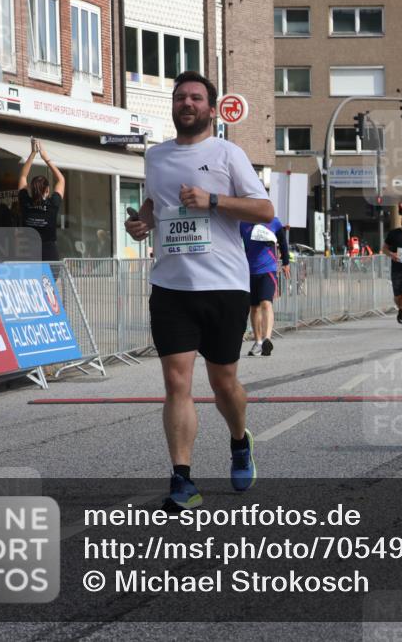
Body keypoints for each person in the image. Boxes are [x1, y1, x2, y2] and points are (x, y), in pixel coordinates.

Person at [123, 71, 274, 509]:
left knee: (224, 382)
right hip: (170, 286)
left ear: (210, 109)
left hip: (223, 285)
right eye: (180, 98)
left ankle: (239, 439)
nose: (186, 104)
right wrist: (141, 224)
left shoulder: (228, 153)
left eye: (195, 98)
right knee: (176, 382)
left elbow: (264, 209)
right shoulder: (155, 157)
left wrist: (213, 201)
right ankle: (182, 478)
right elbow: (155, 207)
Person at [240, 216, 290, 357]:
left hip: (268, 270)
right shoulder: (243, 223)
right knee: (254, 308)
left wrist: (286, 262)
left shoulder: (273, 221)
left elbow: (283, 241)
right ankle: (258, 342)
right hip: (249, 271)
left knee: (266, 303)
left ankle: (267, 338)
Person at [18, 139, 65, 261]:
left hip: (28, 253)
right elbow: (61, 180)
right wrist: (46, 158)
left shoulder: (26, 203)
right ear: (47, 190)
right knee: (48, 280)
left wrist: (33, 154)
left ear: (31, 190)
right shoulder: (52, 204)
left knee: (31, 280)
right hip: (49, 253)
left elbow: (23, 176)